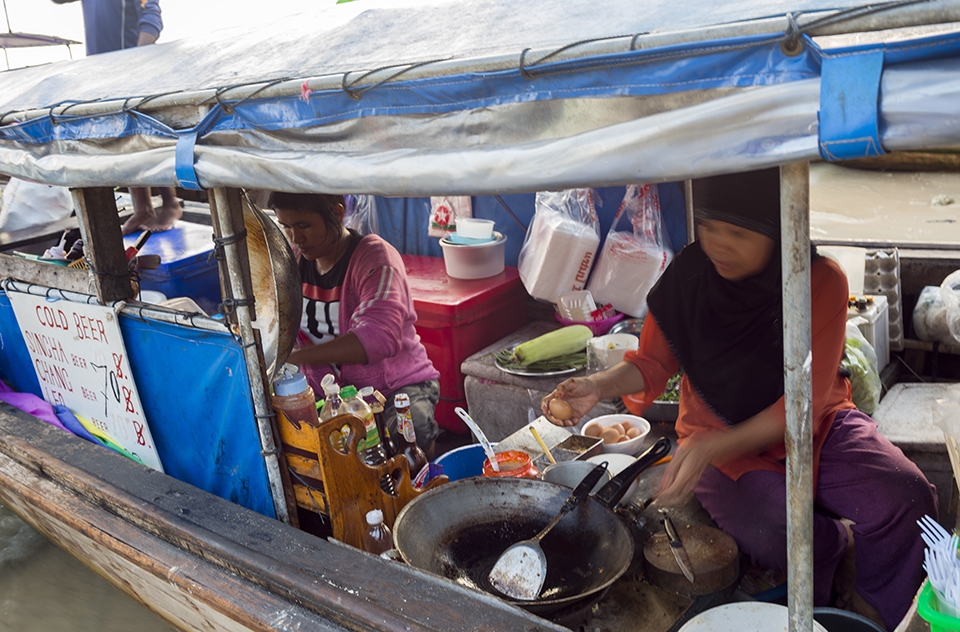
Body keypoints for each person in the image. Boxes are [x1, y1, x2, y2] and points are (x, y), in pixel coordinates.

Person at [542, 168, 936, 631]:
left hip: (817, 420)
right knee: (780, 533)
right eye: (709, 228)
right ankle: (841, 551)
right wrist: (599, 385)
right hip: (717, 429)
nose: (719, 245)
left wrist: (709, 449)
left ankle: (875, 609)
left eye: (739, 233)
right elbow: (651, 363)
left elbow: (799, 409)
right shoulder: (689, 276)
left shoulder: (817, 282)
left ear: (778, 229)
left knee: (907, 495)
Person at [269, 192, 441, 460]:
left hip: (395, 388)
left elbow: (377, 337)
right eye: (286, 226)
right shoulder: (293, 262)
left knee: (409, 442)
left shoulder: (376, 258)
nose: (295, 237)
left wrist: (293, 357)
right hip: (330, 394)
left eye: (304, 226)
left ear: (337, 214)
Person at [53, 0, 182, 235]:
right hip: (101, 71)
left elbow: (152, 16)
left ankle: (170, 202)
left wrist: (136, 60)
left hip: (131, 66)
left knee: (145, 132)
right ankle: (142, 208)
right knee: (121, 138)